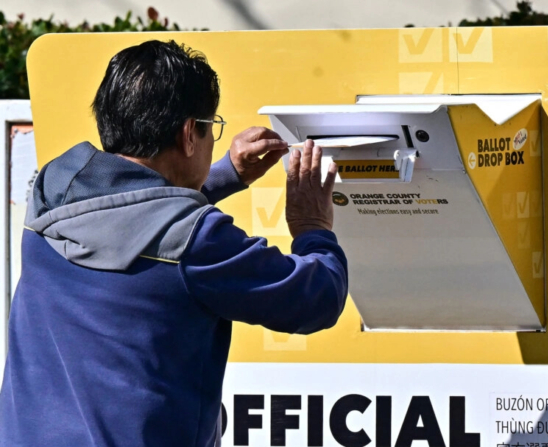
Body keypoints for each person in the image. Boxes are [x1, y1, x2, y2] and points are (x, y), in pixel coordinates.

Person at [0, 40, 347, 446]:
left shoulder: (52, 189)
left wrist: (225, 174)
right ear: (188, 135)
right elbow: (317, 298)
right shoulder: (198, 243)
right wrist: (313, 226)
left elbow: (128, 214)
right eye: (210, 127)